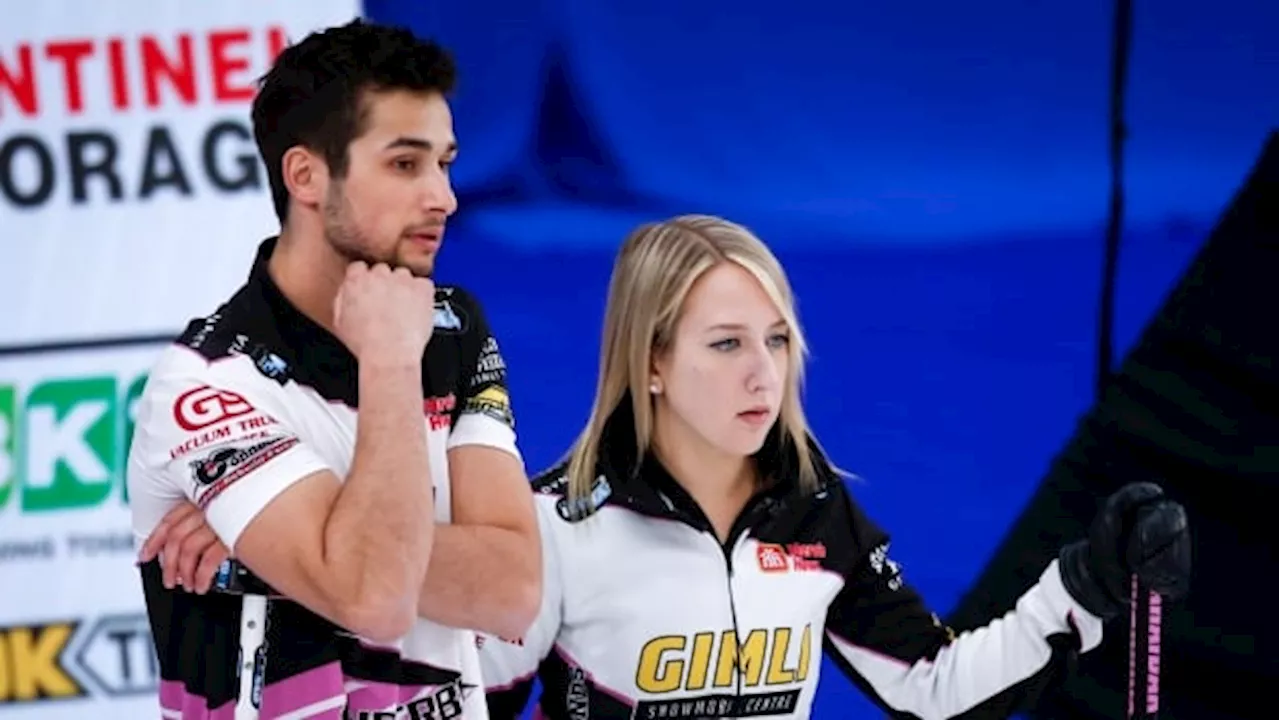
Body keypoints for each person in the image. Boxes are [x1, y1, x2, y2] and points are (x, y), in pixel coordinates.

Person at [149, 215, 1193, 719]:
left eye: (776, 341)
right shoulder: (552, 526)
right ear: (650, 361)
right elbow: (427, 672)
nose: (762, 374)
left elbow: (931, 690)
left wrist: (1080, 590)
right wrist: (271, 538)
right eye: (724, 344)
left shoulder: (812, 513)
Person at [125, 19, 540, 720]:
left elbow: (511, 590)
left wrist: (288, 553)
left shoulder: (451, 325)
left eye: (445, 162)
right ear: (305, 175)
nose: (445, 196)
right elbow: (375, 600)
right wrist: (388, 362)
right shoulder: (203, 383)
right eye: (406, 164)